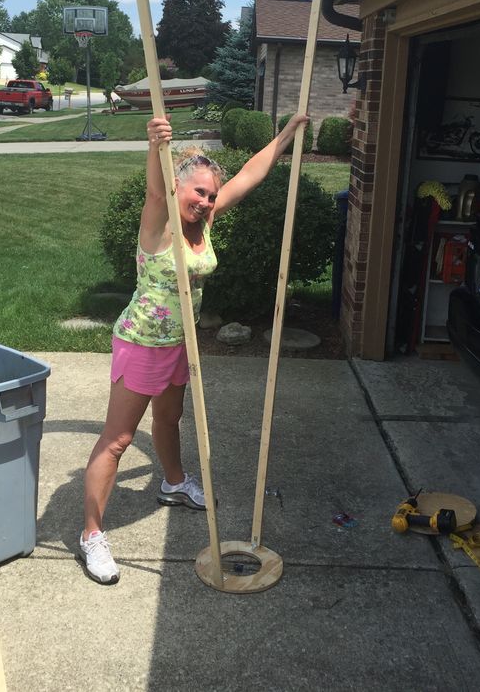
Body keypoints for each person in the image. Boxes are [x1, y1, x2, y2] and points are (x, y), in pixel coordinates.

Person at [79, 111, 310, 584]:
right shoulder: (159, 226)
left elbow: (249, 174)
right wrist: (153, 145)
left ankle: (173, 482)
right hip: (141, 344)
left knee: (169, 420)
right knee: (119, 440)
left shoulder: (202, 223)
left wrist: (287, 134)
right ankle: (91, 535)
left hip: (179, 345)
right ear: (176, 188)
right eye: (196, 192)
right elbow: (153, 190)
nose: (205, 201)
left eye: (209, 194)